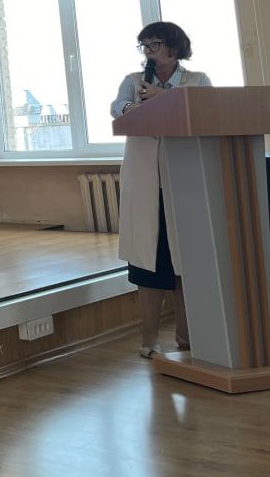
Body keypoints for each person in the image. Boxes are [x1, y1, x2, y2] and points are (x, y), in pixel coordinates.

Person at [112, 21, 211, 358]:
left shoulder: (197, 80)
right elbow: (117, 108)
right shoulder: (134, 81)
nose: (149, 51)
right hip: (146, 183)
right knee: (148, 264)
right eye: (145, 45)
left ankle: (188, 337)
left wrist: (163, 98)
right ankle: (149, 340)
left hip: (185, 184)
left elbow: (206, 112)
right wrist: (135, 107)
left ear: (175, 47)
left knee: (187, 263)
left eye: (155, 44)